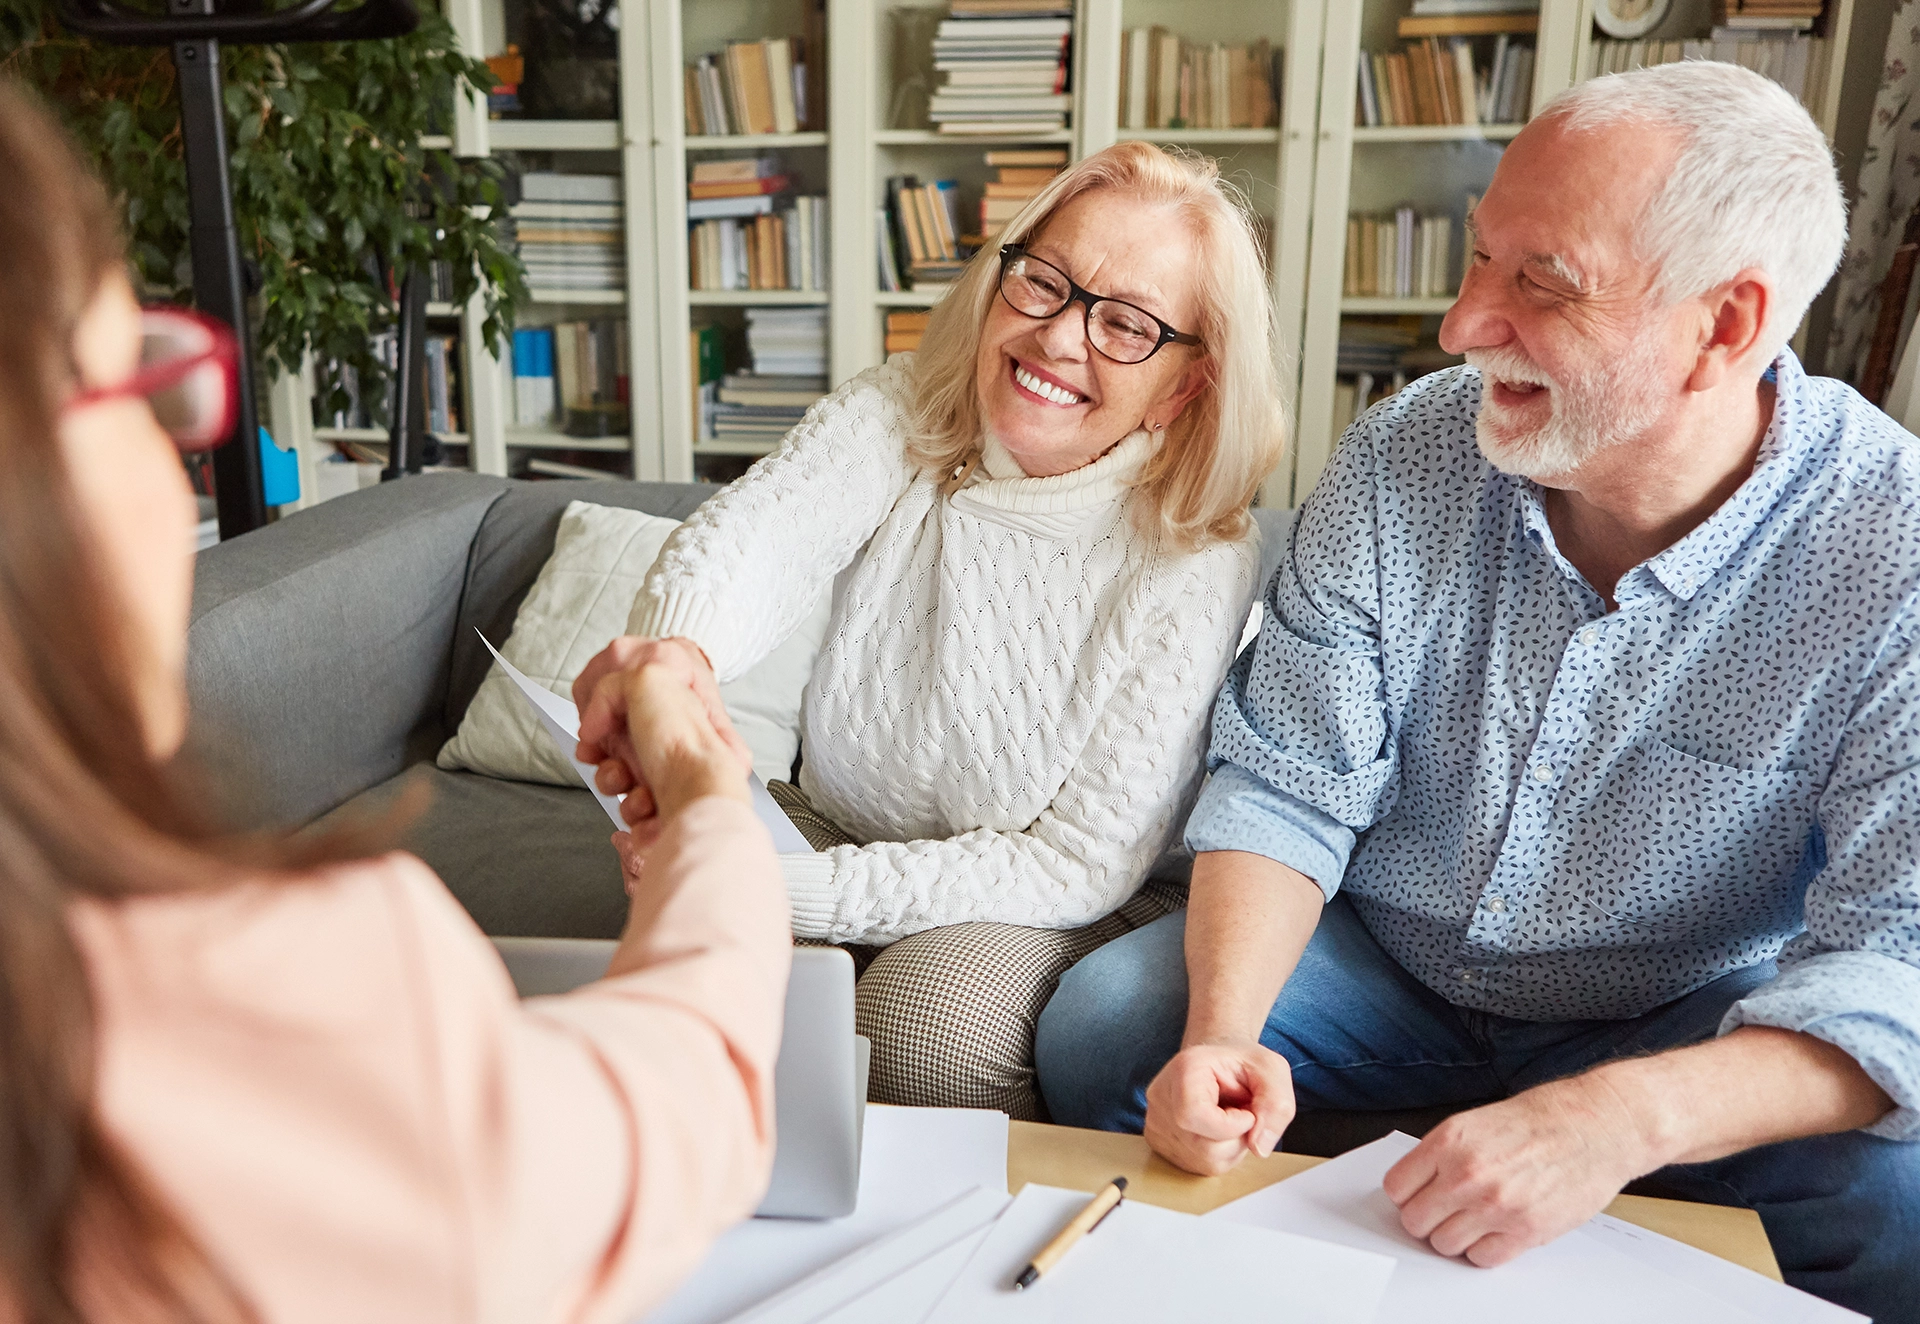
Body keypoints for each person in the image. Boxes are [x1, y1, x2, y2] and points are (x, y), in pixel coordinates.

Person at [1035, 61, 1920, 1322]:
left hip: (1682, 1009)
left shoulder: (1894, 545)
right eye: (1480, 258)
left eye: (1541, 284)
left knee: (1900, 1203)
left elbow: (1899, 963)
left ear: (1723, 327)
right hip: (1389, 965)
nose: (1461, 326)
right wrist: (1225, 1031)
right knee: (1109, 1029)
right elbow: (1289, 779)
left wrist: (1620, 1115)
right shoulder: (1409, 448)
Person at [0, 82, 791, 1322]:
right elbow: (660, 1117)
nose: (177, 470)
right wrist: (705, 803)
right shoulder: (276, 993)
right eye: (151, 389)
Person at [572, 141, 1286, 1119]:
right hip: (839, 820)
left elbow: (1073, 863)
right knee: (688, 973)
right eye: (1045, 280)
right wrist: (672, 657)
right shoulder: (901, 408)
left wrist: (784, 889)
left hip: (1046, 887)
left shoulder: (1196, 557)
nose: (1060, 338)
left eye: (1125, 323)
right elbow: (753, 541)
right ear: (1003, 275)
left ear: (1184, 386)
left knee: (922, 1034)